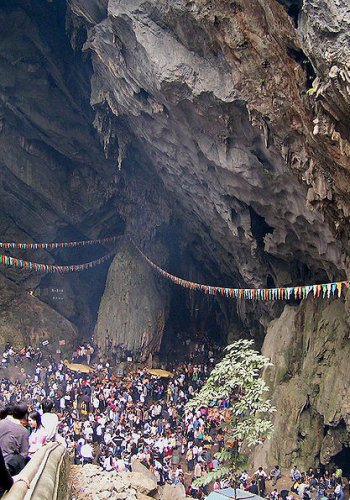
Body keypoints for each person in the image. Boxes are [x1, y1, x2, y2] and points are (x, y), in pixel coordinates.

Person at [0, 403, 29, 475]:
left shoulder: (2, 422)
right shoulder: (24, 431)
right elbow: (24, 454)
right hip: (10, 468)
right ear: (25, 415)